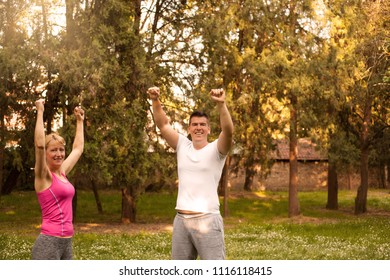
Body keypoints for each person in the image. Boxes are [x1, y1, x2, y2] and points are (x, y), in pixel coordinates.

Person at [147, 86, 234, 260]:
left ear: (209, 129)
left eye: (203, 125)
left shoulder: (216, 149)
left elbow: (228, 131)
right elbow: (163, 125)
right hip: (181, 221)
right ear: (189, 129)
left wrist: (221, 104)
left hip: (208, 220)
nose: (198, 128)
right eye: (194, 124)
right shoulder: (182, 145)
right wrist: (155, 100)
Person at [32, 99, 84, 260]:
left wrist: (80, 122)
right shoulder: (43, 175)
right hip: (49, 242)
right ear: (46, 154)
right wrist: (40, 111)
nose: (59, 154)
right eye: (54, 150)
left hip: (66, 242)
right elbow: (39, 145)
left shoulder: (62, 172)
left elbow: (78, 149)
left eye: (61, 150)